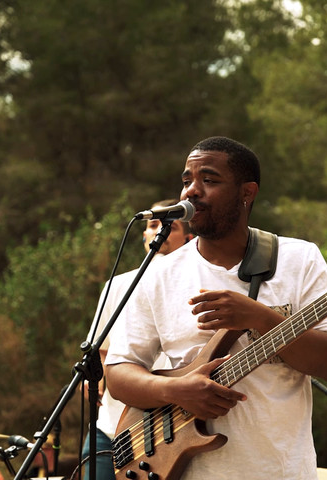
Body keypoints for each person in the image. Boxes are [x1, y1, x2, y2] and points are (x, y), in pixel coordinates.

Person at [105, 136, 327, 479]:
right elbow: (118, 375)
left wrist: (258, 316)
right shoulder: (158, 276)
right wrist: (175, 390)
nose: (191, 191)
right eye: (187, 180)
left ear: (247, 193)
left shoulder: (300, 259)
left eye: (209, 180)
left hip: (280, 471)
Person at [81, 199, 194, 480]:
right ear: (144, 233)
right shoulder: (117, 285)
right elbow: (102, 350)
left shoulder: (196, 284)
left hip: (166, 431)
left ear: (189, 238)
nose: (159, 230)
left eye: (170, 226)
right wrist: (92, 380)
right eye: (153, 224)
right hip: (109, 430)